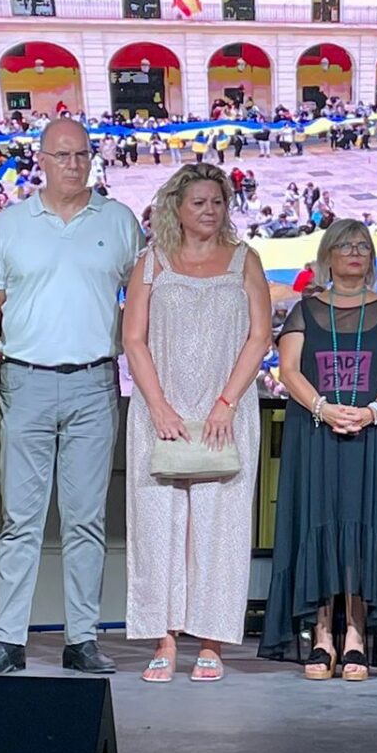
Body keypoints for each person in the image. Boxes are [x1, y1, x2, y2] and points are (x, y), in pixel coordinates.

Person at [0, 118, 142, 675]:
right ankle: (8, 640)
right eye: (62, 155)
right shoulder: (11, 224)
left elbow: (141, 298)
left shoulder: (119, 222)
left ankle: (82, 639)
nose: (73, 164)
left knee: (86, 518)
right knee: (20, 518)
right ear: (40, 160)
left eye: (81, 154)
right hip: (27, 382)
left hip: (94, 383)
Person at [121, 163, 271, 683]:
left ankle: (211, 641)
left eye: (217, 202)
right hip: (160, 410)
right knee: (156, 525)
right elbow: (133, 338)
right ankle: (163, 639)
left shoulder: (245, 259)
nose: (210, 211)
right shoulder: (152, 262)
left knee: (220, 526)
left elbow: (259, 336)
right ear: (177, 209)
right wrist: (159, 405)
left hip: (224, 411)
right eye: (199, 202)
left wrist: (226, 402)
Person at [261, 220, 377, 681]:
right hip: (315, 434)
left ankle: (355, 635)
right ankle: (321, 635)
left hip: (373, 436)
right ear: (327, 255)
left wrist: (371, 412)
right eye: (345, 245)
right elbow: (290, 371)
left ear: (371, 258)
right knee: (319, 524)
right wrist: (323, 408)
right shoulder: (303, 311)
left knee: (364, 527)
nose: (354, 252)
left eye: (362, 246)